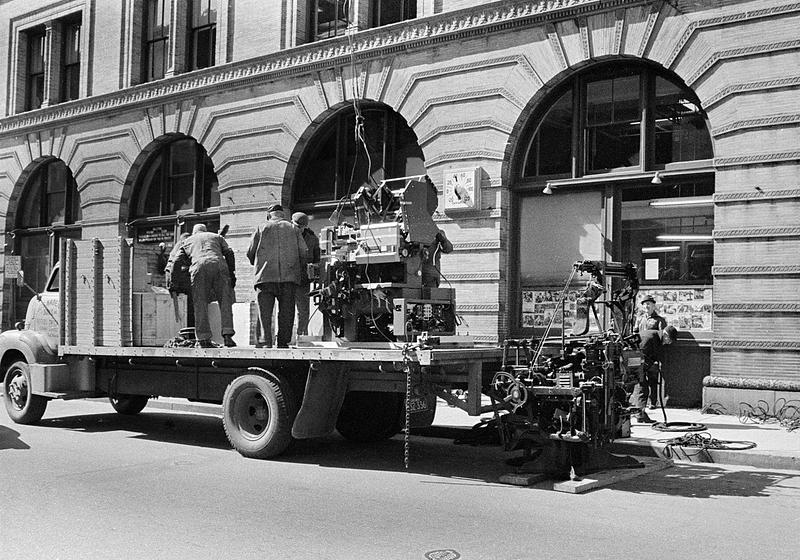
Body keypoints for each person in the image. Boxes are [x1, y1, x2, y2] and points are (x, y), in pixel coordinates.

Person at [247, 204, 307, 348]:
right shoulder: (293, 228)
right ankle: (283, 343)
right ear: (283, 215)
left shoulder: (261, 227)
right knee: (287, 313)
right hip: (289, 278)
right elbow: (303, 251)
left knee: (264, 314)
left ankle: (265, 342)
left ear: (269, 215)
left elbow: (250, 252)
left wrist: (259, 265)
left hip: (265, 277)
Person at [179, 224, 236, 348]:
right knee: (225, 301)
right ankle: (227, 336)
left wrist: (174, 282)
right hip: (219, 264)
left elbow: (178, 260)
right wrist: (232, 274)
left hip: (198, 267)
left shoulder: (187, 241)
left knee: (200, 303)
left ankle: (203, 339)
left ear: (194, 232)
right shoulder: (217, 237)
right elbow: (230, 253)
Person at [631, 295, 667, 422]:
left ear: (653, 305)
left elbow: (663, 339)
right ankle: (640, 409)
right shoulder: (640, 319)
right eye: (645, 304)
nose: (646, 306)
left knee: (652, 379)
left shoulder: (659, 320)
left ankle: (652, 402)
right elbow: (635, 333)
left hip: (652, 355)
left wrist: (659, 357)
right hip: (640, 353)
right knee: (641, 381)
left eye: (649, 304)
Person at [291, 212, 320, 337]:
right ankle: (285, 336)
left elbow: (318, 260)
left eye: (301, 227)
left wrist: (314, 268)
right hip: (288, 278)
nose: (299, 229)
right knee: (286, 309)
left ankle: (302, 335)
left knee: (303, 310)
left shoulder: (312, 238)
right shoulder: (286, 235)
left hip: (303, 279)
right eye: (297, 226)